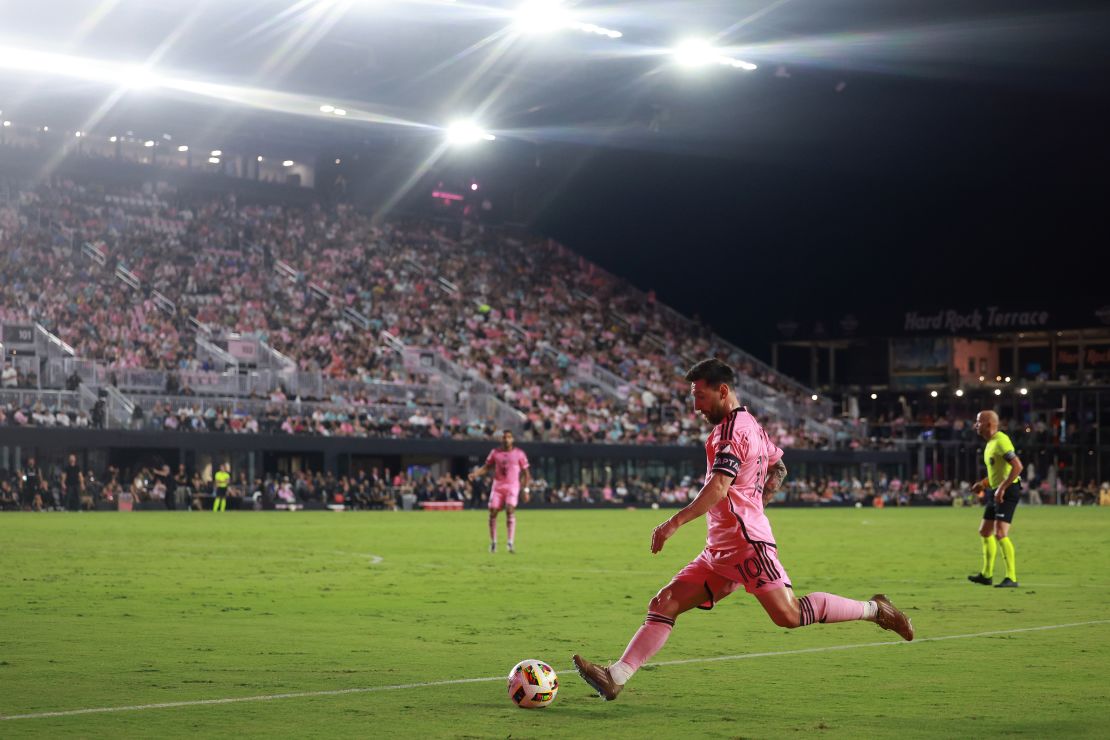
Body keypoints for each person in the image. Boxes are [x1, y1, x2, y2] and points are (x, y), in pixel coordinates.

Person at [573, 359, 913, 702]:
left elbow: (720, 487)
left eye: (701, 397)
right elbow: (778, 466)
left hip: (748, 545)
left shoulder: (733, 432)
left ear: (723, 391)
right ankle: (615, 677)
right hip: (719, 548)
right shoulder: (750, 424)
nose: (696, 406)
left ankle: (876, 609)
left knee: (789, 615)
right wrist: (757, 500)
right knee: (666, 601)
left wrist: (673, 522)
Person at [967, 409, 1023, 588]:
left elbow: (1017, 466)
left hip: (1008, 490)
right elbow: (996, 474)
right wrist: (983, 484)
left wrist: (1002, 488)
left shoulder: (1001, 441)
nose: (976, 425)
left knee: (1000, 533)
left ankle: (1011, 577)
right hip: (996, 490)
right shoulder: (990, 443)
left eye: (978, 421)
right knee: (985, 531)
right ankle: (986, 574)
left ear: (989, 424)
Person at [469, 430, 531, 553]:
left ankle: (510, 543)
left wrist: (525, 489)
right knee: (492, 512)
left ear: (512, 439)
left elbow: (526, 473)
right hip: (498, 486)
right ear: (501, 439)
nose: (506, 439)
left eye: (509, 437)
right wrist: (475, 474)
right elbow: (487, 467)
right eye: (504, 437)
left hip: (512, 486)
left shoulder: (519, 454)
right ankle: (493, 543)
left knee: (509, 509)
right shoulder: (495, 453)